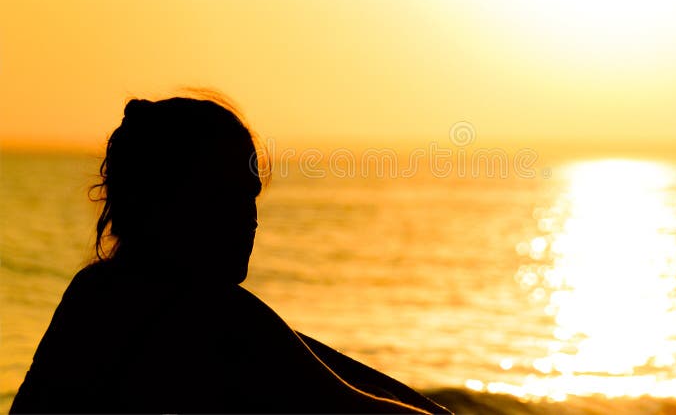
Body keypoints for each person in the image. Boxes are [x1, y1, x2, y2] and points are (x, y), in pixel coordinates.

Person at [11, 95, 446, 414]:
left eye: (251, 196)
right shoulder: (205, 313)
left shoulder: (96, 290)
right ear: (168, 199)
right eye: (225, 196)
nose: (250, 218)